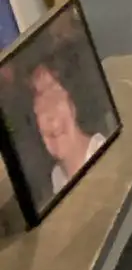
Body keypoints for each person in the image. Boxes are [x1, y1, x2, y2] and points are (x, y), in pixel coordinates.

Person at [29, 58, 105, 195]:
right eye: (40, 107)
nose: (50, 117)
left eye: (55, 100)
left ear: (73, 105)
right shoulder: (57, 177)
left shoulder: (105, 157)